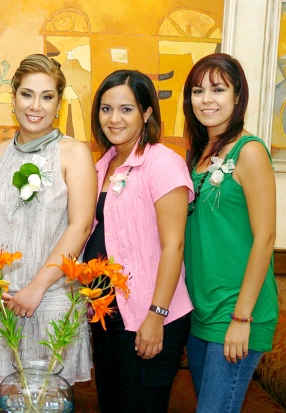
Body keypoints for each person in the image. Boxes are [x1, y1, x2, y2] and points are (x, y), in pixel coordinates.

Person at [0, 54, 97, 412]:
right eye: (27, 94)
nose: (35, 106)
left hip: (51, 299)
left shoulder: (74, 153)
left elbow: (81, 226)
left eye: (46, 96)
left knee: (44, 402)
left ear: (59, 103)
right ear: (13, 98)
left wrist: (36, 287)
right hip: (3, 300)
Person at [82, 70, 194, 412]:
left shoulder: (163, 162)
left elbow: (174, 246)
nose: (114, 119)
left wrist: (156, 315)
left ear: (146, 113)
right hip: (107, 315)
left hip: (149, 314)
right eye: (106, 109)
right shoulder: (102, 165)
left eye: (126, 109)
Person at [183, 53, 278, 413]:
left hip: (238, 311)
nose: (206, 99)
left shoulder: (249, 151)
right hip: (201, 311)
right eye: (198, 91)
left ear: (238, 96)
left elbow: (265, 237)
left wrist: (241, 318)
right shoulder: (199, 154)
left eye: (218, 89)